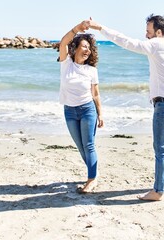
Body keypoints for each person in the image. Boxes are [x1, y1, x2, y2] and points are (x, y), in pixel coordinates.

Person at [86, 14, 164, 201]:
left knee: (161, 149)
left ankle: (158, 191)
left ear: (158, 32)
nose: (145, 35)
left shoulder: (156, 44)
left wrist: (100, 28)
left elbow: (126, 42)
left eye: (148, 31)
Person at [58, 21, 104, 193]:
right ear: (75, 48)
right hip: (69, 111)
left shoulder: (91, 70)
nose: (87, 50)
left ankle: (91, 179)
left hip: (87, 109)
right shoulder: (66, 63)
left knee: (89, 145)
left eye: (89, 48)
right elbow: (63, 42)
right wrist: (78, 28)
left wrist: (100, 114)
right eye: (84, 46)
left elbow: (96, 94)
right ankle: (94, 172)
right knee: (80, 146)